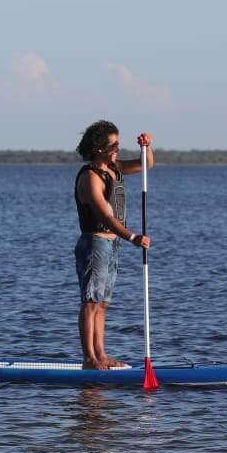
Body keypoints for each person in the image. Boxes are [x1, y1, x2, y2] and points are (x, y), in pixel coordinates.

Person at [74, 121, 153, 370]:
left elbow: (145, 164)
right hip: (94, 243)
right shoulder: (90, 177)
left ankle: (101, 354)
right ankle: (90, 359)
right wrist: (132, 237)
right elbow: (105, 216)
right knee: (91, 301)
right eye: (113, 145)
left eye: (119, 143)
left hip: (111, 244)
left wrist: (147, 147)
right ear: (99, 148)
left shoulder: (114, 168)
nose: (118, 148)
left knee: (102, 302)